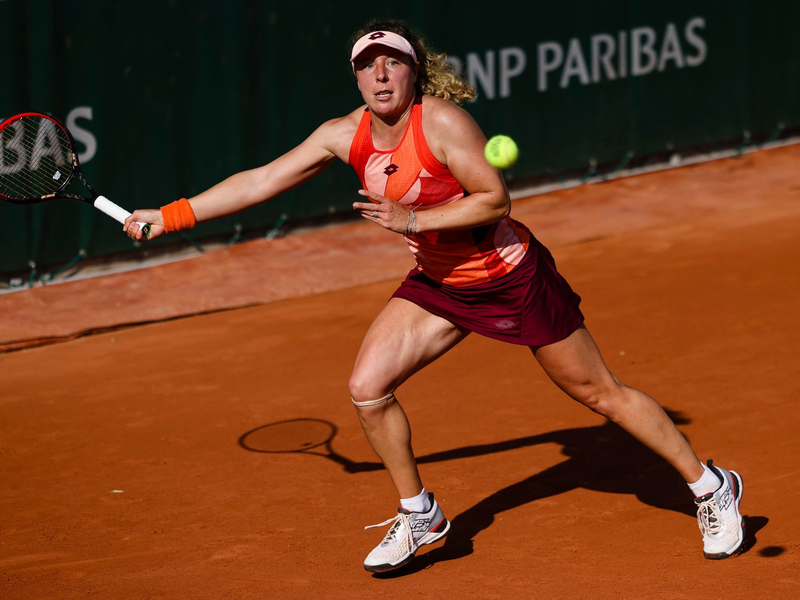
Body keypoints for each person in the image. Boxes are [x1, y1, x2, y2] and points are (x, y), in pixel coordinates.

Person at [124, 19, 745, 572]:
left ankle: (710, 485)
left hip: (510, 278)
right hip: (439, 285)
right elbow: (261, 180)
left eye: (392, 61)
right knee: (367, 388)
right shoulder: (344, 135)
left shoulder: (444, 123)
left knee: (597, 392)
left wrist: (414, 222)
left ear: (414, 71)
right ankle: (419, 512)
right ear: (357, 81)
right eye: (367, 65)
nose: (380, 73)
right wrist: (172, 215)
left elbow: (496, 200)